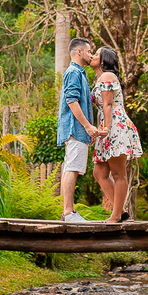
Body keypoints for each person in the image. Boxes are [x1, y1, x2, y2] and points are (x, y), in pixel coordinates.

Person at [90, 46, 142, 223]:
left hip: (115, 127)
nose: (92, 56)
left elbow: (108, 105)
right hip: (107, 127)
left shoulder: (107, 76)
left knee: (119, 174)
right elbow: (101, 108)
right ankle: (122, 213)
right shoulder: (100, 78)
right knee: (99, 173)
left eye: (96, 54)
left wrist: (106, 130)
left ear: (104, 61)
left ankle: (116, 215)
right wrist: (98, 131)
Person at [57, 37, 103, 222]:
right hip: (74, 129)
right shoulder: (73, 73)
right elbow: (71, 101)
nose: (91, 54)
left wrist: (88, 129)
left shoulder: (80, 73)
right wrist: (87, 126)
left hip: (79, 130)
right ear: (79, 52)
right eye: (89, 51)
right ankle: (68, 212)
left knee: (73, 167)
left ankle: (70, 211)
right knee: (71, 168)